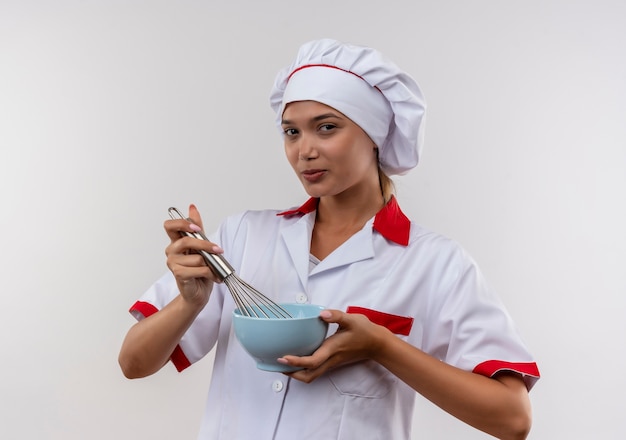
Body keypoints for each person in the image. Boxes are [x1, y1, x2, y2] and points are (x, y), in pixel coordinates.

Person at [118, 38, 540, 440]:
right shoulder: (242, 236)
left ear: (374, 136)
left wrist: (382, 346)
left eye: (326, 127)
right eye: (291, 132)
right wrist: (190, 302)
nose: (305, 151)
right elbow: (133, 363)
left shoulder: (436, 263)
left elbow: (512, 419)